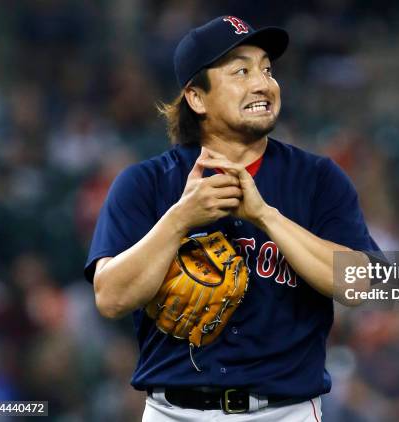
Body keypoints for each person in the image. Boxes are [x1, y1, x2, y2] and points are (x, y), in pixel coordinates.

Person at [84, 15, 379, 421]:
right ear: (196, 97)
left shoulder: (317, 179)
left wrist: (266, 216)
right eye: (241, 71)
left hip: (285, 412)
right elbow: (110, 298)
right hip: (173, 412)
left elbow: (362, 284)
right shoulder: (146, 183)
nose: (263, 84)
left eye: (267, 70)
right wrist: (179, 220)